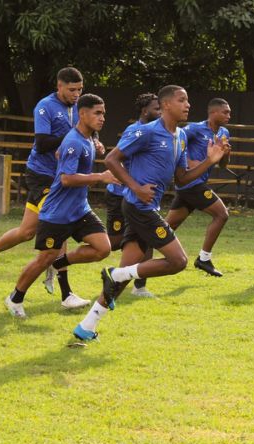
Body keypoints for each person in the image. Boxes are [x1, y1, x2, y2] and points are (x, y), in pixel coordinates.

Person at [73, 85, 228, 341]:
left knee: (125, 273)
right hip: (138, 207)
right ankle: (117, 274)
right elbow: (111, 159)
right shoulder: (146, 132)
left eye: (188, 100)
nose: (188, 105)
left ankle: (86, 327)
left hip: (148, 207)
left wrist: (210, 161)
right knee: (178, 261)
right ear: (166, 105)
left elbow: (183, 179)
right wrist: (135, 187)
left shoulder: (180, 137)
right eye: (182, 100)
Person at [0, 67, 91, 309]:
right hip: (41, 175)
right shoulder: (45, 107)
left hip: (58, 175)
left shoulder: (79, 108)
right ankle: (66, 294)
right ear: (59, 86)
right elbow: (43, 143)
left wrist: (91, 140)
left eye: (80, 89)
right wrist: (74, 138)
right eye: (72, 90)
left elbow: (82, 134)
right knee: (60, 222)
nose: (77, 94)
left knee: (26, 232)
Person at [4, 94, 115, 318]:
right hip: (57, 213)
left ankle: (60, 263)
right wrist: (100, 176)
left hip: (79, 209)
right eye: (97, 113)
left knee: (103, 248)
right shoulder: (74, 141)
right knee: (44, 258)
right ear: (82, 114)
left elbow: (61, 153)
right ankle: (15, 298)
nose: (102, 118)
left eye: (103, 113)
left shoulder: (86, 139)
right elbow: (66, 179)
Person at [164, 98, 232, 277]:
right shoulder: (194, 128)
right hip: (192, 183)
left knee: (168, 226)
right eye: (225, 112)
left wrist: (226, 153)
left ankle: (141, 246)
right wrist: (188, 162)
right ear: (213, 113)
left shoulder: (224, 132)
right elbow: (176, 142)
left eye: (229, 112)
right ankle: (204, 259)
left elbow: (223, 165)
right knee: (221, 214)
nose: (228, 116)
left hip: (195, 184)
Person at [106, 93, 161, 297]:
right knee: (112, 243)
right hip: (120, 195)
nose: (160, 112)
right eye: (157, 108)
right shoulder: (135, 131)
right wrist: (134, 184)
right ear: (145, 110)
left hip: (139, 198)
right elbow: (115, 160)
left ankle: (139, 287)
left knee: (146, 238)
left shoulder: (159, 133)